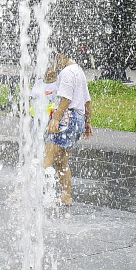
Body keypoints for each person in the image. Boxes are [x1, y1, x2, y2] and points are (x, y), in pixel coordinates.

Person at [43, 46, 93, 206]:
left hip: (66, 119)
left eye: (54, 61)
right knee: (63, 161)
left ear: (59, 56)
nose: (53, 66)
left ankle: (29, 193)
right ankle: (66, 197)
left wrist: (55, 120)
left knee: (47, 158)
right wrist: (87, 122)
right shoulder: (78, 70)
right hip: (77, 119)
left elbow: (65, 99)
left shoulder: (66, 73)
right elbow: (87, 100)